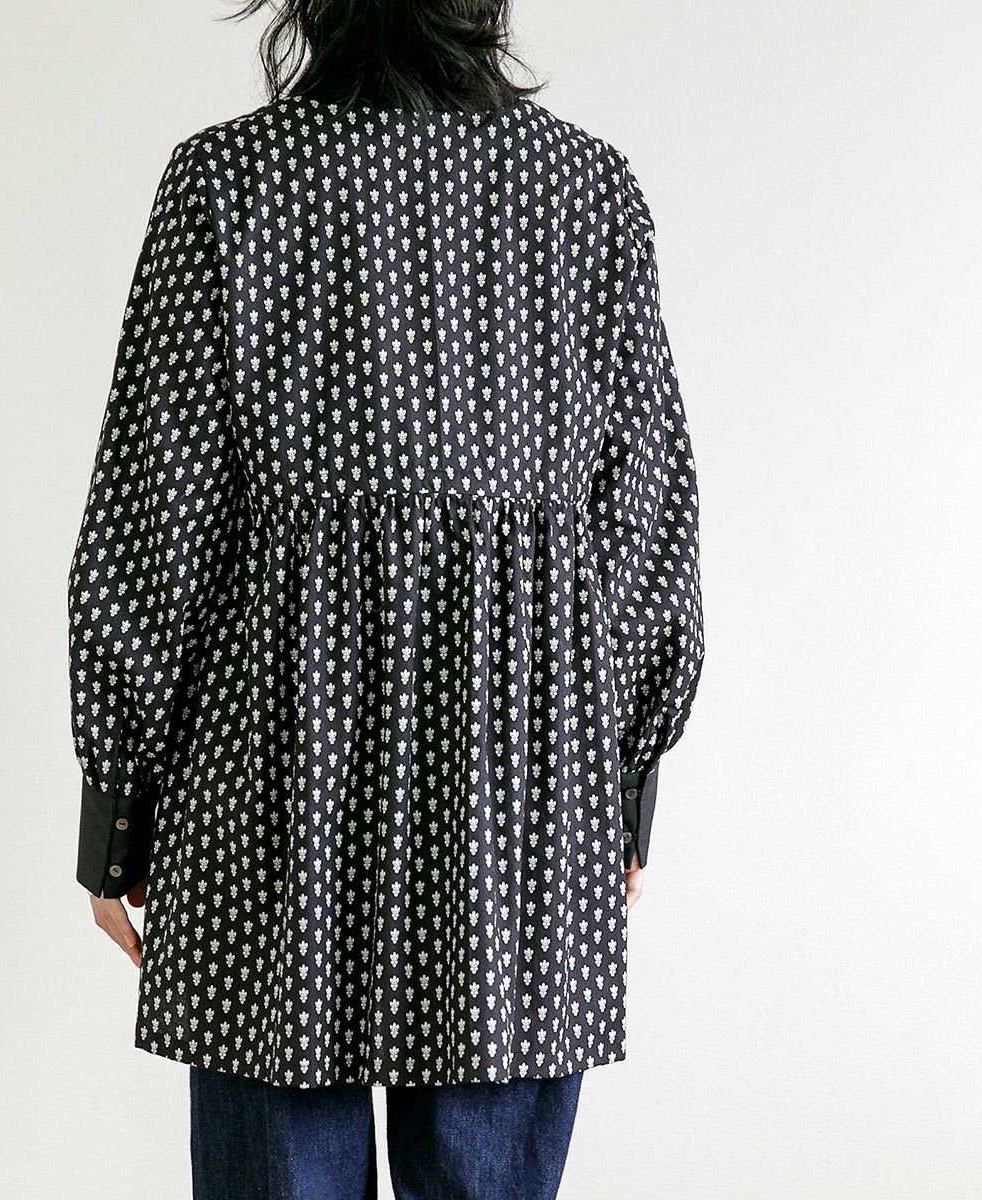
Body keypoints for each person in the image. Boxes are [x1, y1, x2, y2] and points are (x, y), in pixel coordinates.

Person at [66, 1, 704, 1195]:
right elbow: (644, 523)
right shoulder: (587, 192)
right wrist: (622, 792)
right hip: (521, 800)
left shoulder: (231, 182)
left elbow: (156, 518)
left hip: (275, 796)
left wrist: (118, 806)